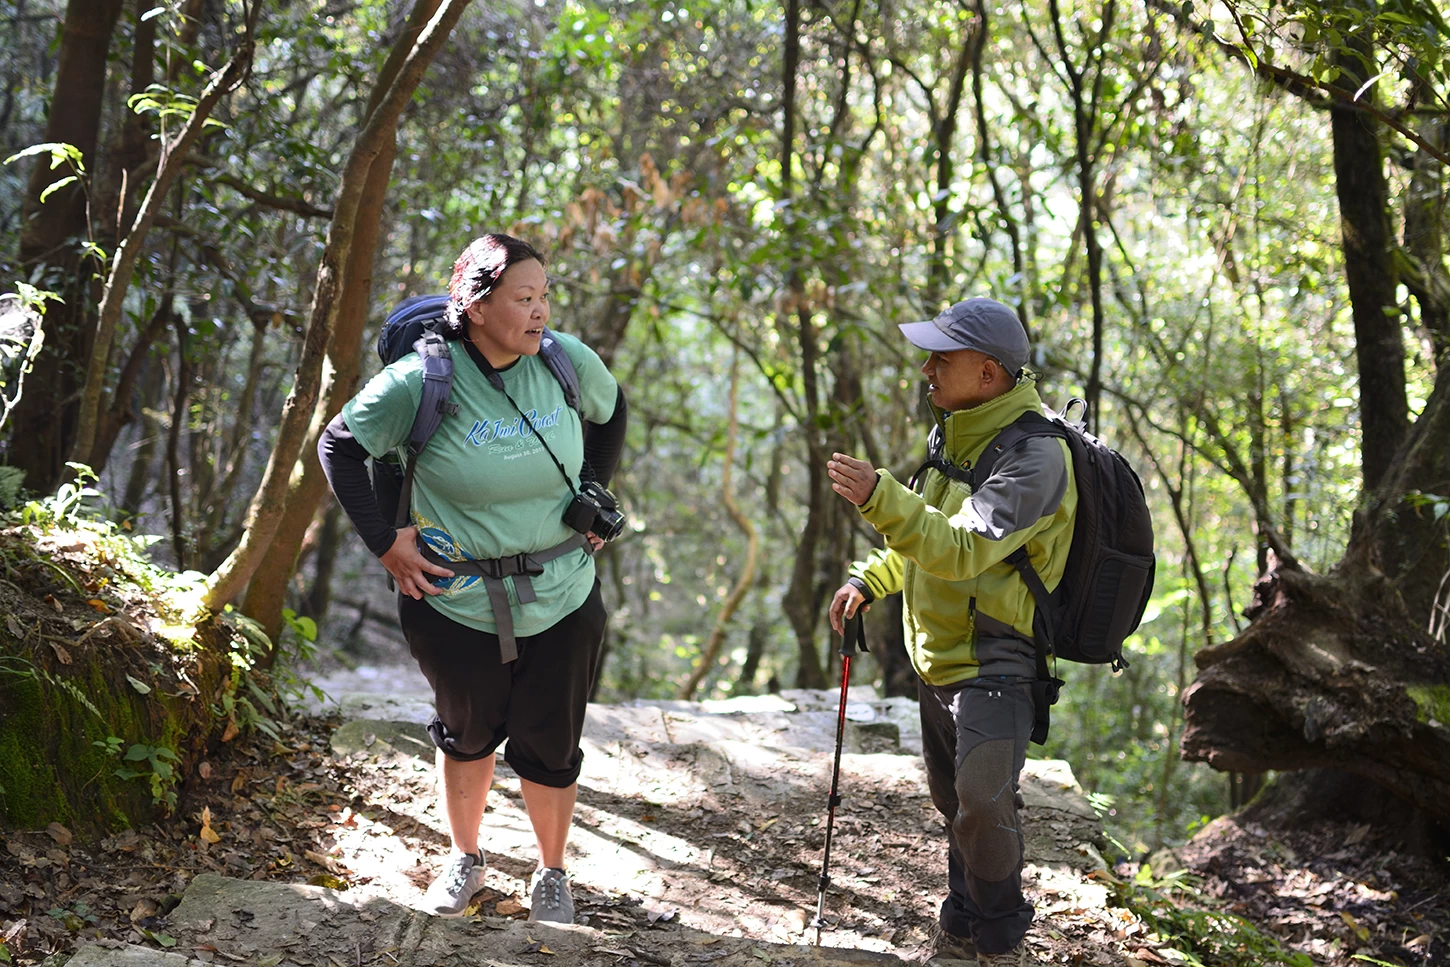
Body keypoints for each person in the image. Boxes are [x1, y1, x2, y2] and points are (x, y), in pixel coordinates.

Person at [318, 233, 628, 921]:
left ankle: (552, 872)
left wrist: (592, 493)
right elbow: (338, 444)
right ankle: (466, 858)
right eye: (524, 298)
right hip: (453, 601)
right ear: (477, 305)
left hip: (563, 594)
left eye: (545, 295)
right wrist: (385, 542)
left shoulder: (564, 361)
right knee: (468, 731)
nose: (541, 310)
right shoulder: (423, 380)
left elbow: (613, 411)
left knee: (552, 742)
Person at [826, 298, 1076, 967]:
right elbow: (922, 538)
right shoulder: (954, 435)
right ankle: (962, 926)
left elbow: (960, 548)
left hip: (998, 660)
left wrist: (879, 495)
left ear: (989, 373)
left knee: (981, 802)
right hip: (935, 660)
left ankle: (1001, 939)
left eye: (943, 357)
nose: (928, 369)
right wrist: (868, 582)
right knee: (954, 803)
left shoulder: (1036, 459)